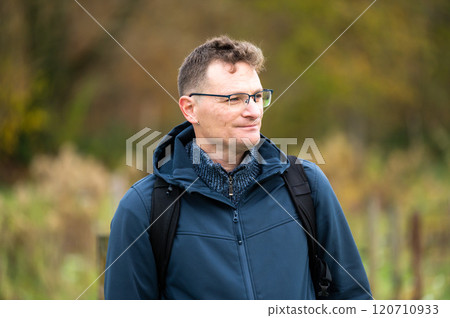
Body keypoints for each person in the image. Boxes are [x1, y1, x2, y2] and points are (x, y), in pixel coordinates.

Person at [104, 35, 372, 300]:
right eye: (235, 98)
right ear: (190, 109)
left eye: (257, 97)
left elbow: (354, 299)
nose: (254, 111)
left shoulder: (306, 186)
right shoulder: (143, 209)